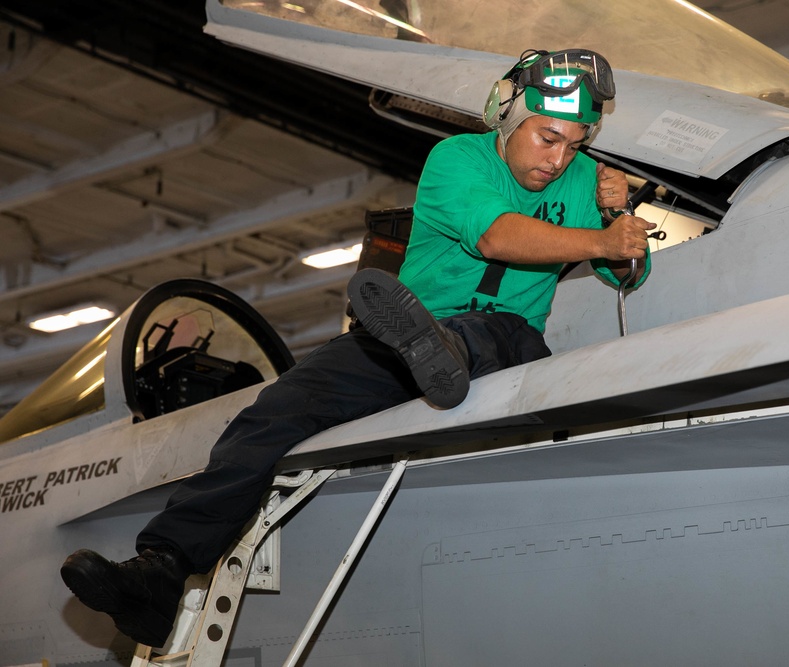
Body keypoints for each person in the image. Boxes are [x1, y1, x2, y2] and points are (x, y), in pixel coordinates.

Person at [59, 48, 655, 648]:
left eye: (574, 145)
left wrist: (617, 218)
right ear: (506, 116)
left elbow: (626, 278)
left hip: (510, 340)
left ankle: (441, 353)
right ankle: (160, 572)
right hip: (408, 335)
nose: (558, 160)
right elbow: (496, 236)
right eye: (548, 138)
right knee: (274, 411)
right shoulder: (456, 160)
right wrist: (600, 239)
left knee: (490, 331)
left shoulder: (584, 184)